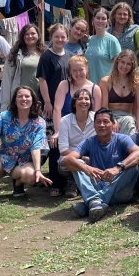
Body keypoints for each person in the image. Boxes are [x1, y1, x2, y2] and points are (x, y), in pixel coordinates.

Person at [61, 108, 139, 222]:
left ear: (113, 124)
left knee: (132, 165)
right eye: (98, 122)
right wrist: (86, 168)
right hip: (98, 184)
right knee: (78, 163)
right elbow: (67, 159)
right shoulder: (89, 142)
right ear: (94, 125)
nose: (102, 125)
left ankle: (92, 202)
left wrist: (118, 168)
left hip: (120, 192)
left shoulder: (122, 139)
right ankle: (97, 203)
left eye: (106, 121)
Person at [51, 54, 101, 196]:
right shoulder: (64, 85)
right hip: (66, 125)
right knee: (55, 144)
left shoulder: (94, 88)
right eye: (74, 70)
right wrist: (57, 131)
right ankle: (57, 183)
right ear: (70, 72)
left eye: (81, 70)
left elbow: (97, 115)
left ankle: (75, 183)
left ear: (87, 69)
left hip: (87, 127)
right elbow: (57, 109)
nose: (78, 73)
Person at [1, 23, 45, 111]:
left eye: (33, 33)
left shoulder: (46, 53)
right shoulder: (15, 54)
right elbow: (7, 80)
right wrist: (5, 105)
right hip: (22, 98)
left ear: (38, 35)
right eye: (26, 34)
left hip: (41, 98)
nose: (30, 36)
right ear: (22, 37)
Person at [99, 50, 139, 135]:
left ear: (132, 66)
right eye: (122, 62)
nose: (125, 66)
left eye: (128, 64)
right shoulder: (106, 81)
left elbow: (137, 108)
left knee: (129, 122)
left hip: (128, 117)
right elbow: (104, 106)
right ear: (117, 61)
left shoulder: (136, 82)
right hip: (110, 115)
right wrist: (112, 120)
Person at [37, 24, 70, 120]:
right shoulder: (46, 56)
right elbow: (42, 80)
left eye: (63, 37)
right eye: (56, 36)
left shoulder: (70, 56)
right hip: (51, 101)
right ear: (51, 37)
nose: (60, 39)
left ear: (67, 38)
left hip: (66, 101)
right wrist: (47, 102)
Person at [85, 7, 121, 85]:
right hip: (89, 86)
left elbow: (119, 66)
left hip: (105, 86)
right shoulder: (90, 40)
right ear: (93, 20)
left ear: (107, 21)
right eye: (98, 18)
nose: (100, 21)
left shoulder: (112, 41)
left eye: (103, 18)